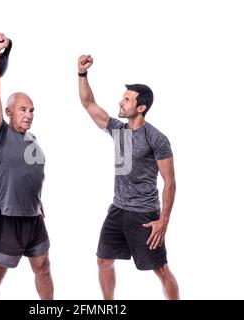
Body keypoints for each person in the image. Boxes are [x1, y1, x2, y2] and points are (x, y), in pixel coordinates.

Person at [77, 55, 179, 300]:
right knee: (103, 260)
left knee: (160, 269)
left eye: (126, 100)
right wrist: (82, 74)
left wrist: (163, 222)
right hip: (118, 210)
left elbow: (170, 182)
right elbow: (88, 103)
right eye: (122, 98)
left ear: (140, 107)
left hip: (144, 215)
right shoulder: (117, 130)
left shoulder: (156, 138)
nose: (120, 103)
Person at [0, 32, 53, 300]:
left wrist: (37, 200)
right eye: (23, 109)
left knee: (43, 269)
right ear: (9, 112)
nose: (29, 115)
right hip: (8, 218)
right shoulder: (0, 133)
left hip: (33, 217)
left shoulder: (32, 139)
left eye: (32, 110)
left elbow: (29, 174)